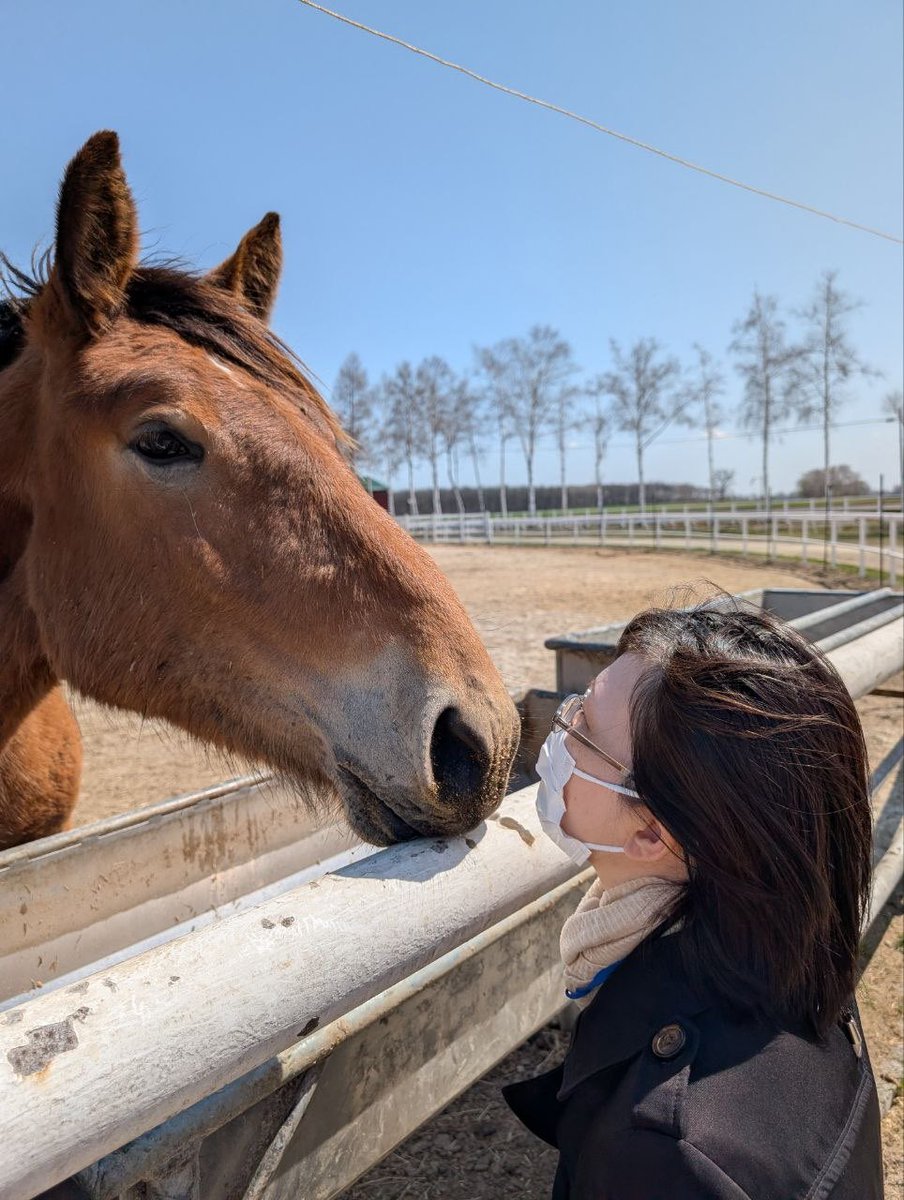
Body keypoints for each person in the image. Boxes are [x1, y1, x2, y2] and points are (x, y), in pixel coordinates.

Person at [504, 601, 884, 1199]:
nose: (561, 731)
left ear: (652, 832)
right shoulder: (794, 969)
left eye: (582, 728)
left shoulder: (670, 1156)